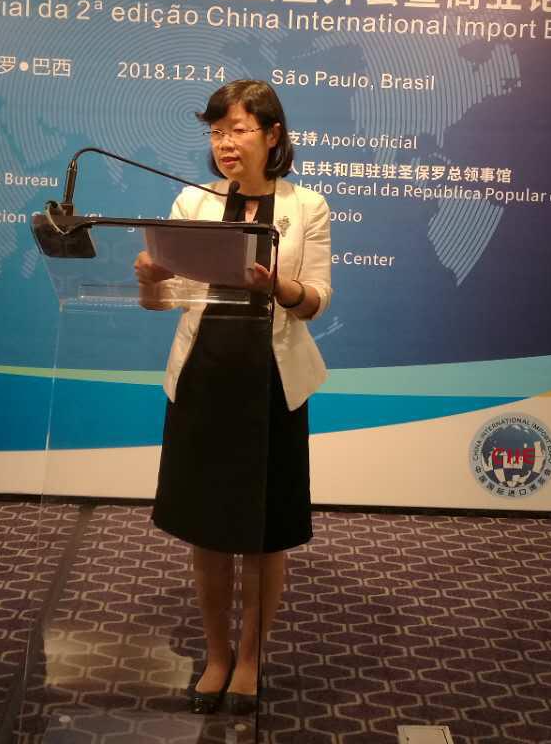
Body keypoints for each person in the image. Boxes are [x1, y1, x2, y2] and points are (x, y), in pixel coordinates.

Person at [133, 79, 332, 717]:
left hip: (271, 383)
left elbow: (317, 299)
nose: (225, 143)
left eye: (239, 129)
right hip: (205, 378)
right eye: (217, 131)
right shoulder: (193, 201)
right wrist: (150, 279)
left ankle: (250, 658)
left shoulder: (306, 206)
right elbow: (164, 302)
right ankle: (216, 656)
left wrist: (279, 288)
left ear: (272, 135)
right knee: (209, 528)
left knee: (264, 533)